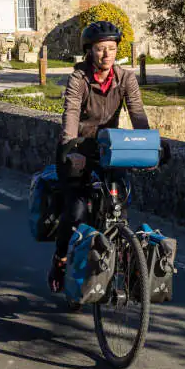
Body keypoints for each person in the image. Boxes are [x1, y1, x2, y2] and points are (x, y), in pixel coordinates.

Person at [49, 20, 149, 291]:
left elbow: (137, 113)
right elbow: (70, 113)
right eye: (100, 49)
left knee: (119, 207)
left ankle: (126, 269)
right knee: (76, 209)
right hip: (78, 148)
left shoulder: (125, 78)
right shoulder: (79, 78)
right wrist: (71, 147)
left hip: (108, 148)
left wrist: (150, 145)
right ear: (89, 51)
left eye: (112, 49)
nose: (107, 55)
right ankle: (60, 259)